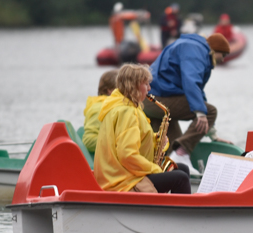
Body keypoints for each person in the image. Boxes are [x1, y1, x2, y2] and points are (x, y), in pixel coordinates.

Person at [94, 64, 191, 194]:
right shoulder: (127, 112)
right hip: (123, 180)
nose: (149, 88)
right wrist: (154, 168)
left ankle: (164, 209)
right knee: (181, 178)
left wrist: (156, 141)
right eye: (146, 84)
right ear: (133, 86)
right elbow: (127, 155)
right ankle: (177, 214)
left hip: (119, 174)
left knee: (182, 169)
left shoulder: (118, 107)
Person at [143, 32, 231, 165]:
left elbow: (197, 92)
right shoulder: (196, 50)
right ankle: (181, 154)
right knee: (210, 111)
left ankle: (167, 168)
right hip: (154, 100)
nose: (223, 60)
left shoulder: (188, 45)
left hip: (148, 101)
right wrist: (201, 114)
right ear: (214, 50)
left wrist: (212, 134)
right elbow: (191, 82)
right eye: (223, 55)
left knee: (170, 144)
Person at [82, 69, 119, 155]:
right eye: (121, 88)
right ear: (109, 90)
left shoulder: (114, 106)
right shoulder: (100, 108)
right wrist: (117, 144)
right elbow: (88, 141)